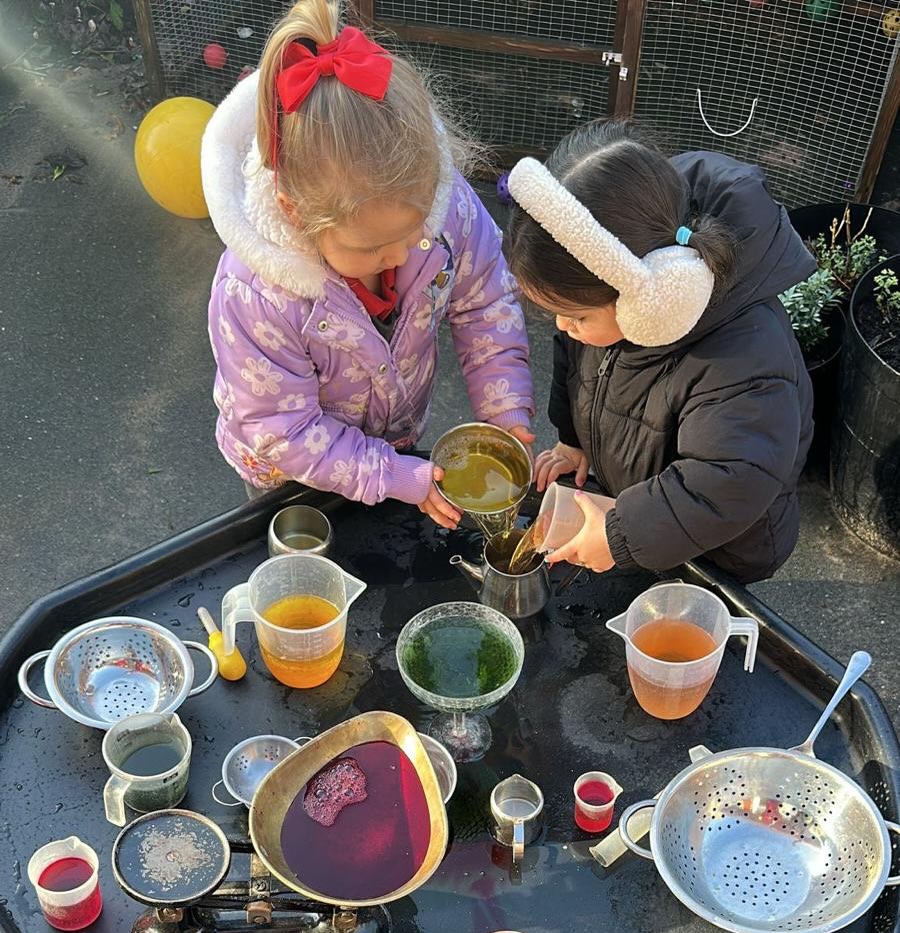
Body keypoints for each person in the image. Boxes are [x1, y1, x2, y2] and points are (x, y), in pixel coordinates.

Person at [201, 0, 534, 528]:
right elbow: (284, 430)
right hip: (290, 476)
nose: (400, 255)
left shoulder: (446, 213)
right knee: (306, 570)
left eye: (413, 231)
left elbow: (484, 302)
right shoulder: (257, 295)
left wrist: (505, 406)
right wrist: (390, 474)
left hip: (394, 439)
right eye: (372, 250)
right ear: (293, 210)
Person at [505, 121, 814, 583]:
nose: (564, 326)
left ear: (654, 296)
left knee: (694, 615)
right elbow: (574, 362)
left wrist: (619, 535)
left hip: (723, 544)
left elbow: (729, 479)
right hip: (644, 504)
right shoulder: (604, 300)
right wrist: (574, 439)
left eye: (579, 316)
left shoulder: (747, 358)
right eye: (555, 312)